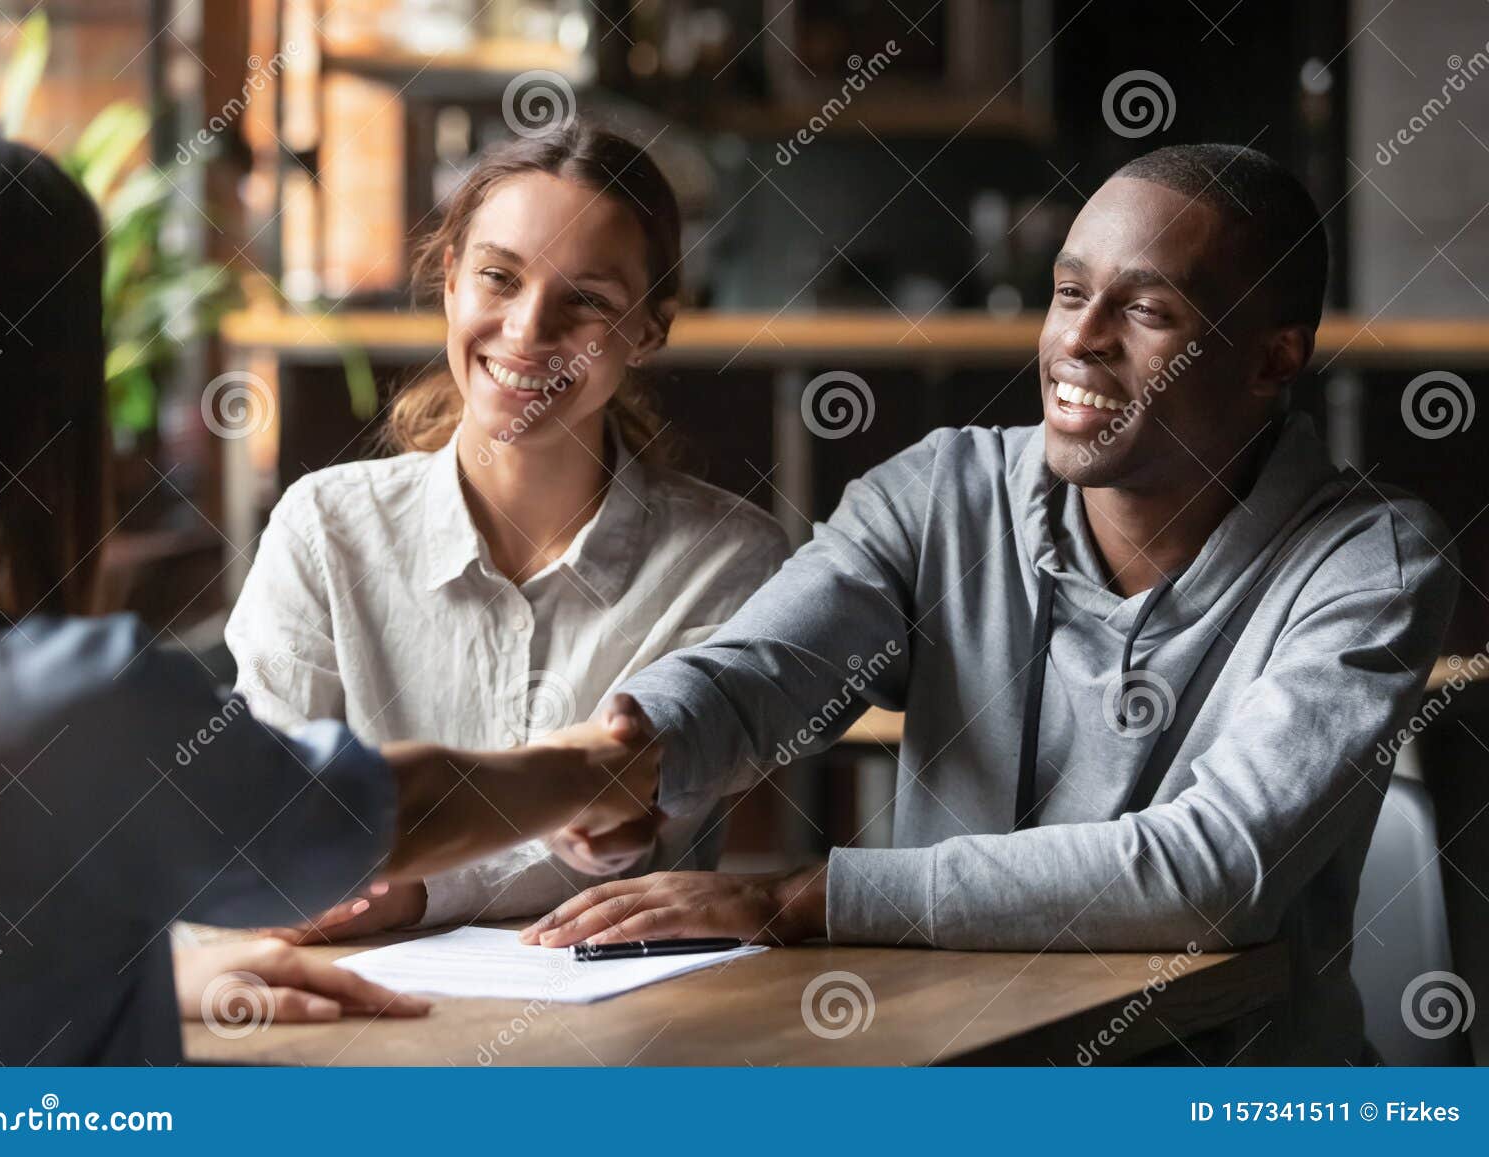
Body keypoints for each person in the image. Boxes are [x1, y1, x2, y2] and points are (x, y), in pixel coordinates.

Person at [521, 143, 1459, 1065]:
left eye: (1145, 309)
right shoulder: (940, 491)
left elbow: (1215, 870)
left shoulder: (1370, 561)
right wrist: (641, 742)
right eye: (1067, 292)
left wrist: (809, 897)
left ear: (1273, 360)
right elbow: (762, 672)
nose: (1078, 340)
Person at [0, 130, 655, 1065]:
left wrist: (164, 977)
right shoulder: (67, 705)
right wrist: (593, 765)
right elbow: (364, 813)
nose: (531, 328)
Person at [225, 122, 789, 943]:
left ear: (651, 327)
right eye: (498, 277)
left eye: (587, 300)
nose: (527, 331)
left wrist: (407, 887)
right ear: (449, 280)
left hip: (629, 1039)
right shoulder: (323, 528)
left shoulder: (730, 562)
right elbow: (268, 817)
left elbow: (632, 822)